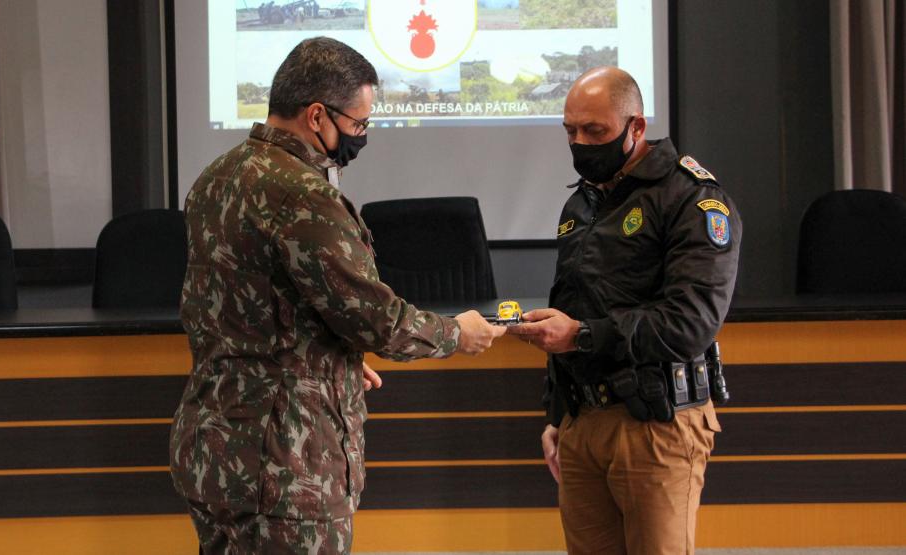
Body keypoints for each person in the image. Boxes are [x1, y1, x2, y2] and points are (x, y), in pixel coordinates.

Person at [169, 37, 505, 554]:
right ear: (317, 116)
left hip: (212, 450)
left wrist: (333, 359)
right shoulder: (305, 194)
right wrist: (457, 333)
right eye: (360, 124)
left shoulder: (216, 178)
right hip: (286, 465)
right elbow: (378, 322)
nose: (362, 135)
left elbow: (247, 309)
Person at [507, 66, 742, 554]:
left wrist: (581, 336)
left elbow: (692, 321)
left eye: (595, 131)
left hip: (657, 424)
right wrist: (558, 416)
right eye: (571, 131)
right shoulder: (583, 202)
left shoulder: (691, 197)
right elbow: (575, 300)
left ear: (636, 126)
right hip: (582, 421)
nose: (580, 143)